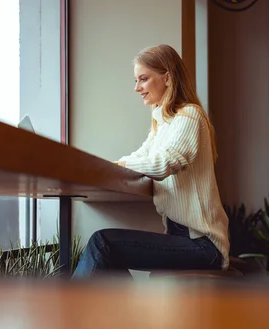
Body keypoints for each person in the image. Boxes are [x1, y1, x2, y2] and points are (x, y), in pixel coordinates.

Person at [72, 44, 229, 279]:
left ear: (167, 77)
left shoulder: (189, 115)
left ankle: (68, 312)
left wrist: (117, 167)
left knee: (103, 243)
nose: (137, 88)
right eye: (136, 81)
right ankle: (127, 316)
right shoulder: (162, 123)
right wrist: (107, 166)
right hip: (181, 239)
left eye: (143, 79)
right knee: (108, 253)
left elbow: (166, 162)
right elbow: (140, 157)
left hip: (203, 245)